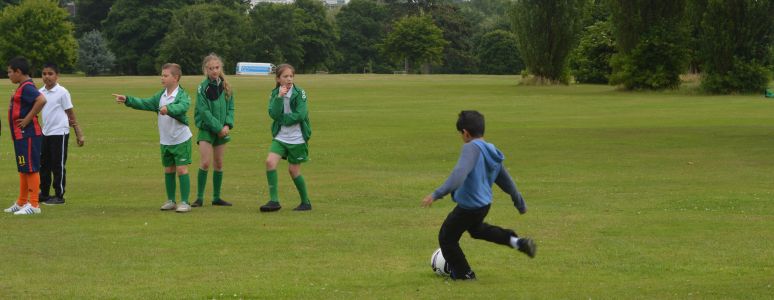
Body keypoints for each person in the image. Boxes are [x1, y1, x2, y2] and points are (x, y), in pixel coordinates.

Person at [421, 110, 536, 280]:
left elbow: (459, 173)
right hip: (483, 206)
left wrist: (437, 193)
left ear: (466, 133)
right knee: (477, 230)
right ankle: (517, 242)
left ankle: (464, 274)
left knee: (446, 237)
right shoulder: (492, 151)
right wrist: (519, 202)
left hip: (469, 207)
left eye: (461, 134)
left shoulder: (471, 148)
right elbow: (506, 181)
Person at [112, 63, 193, 213]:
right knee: (169, 169)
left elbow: (182, 107)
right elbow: (145, 103)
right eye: (161, 75)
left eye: (165, 75)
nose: (162, 78)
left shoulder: (183, 95)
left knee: (181, 169)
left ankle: (185, 202)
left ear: (176, 78)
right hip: (166, 140)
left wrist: (168, 109)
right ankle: (170, 200)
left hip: (181, 139)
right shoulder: (160, 96)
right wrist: (128, 99)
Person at [260, 64, 312, 212]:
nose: (289, 79)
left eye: (291, 76)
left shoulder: (300, 93)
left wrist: (283, 120)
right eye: (285, 76)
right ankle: (274, 201)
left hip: (297, 138)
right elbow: (273, 114)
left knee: (293, 170)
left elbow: (301, 115)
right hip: (281, 137)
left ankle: (306, 202)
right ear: (278, 79)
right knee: (270, 162)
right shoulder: (275, 93)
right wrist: (279, 97)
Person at [3, 56, 47, 215]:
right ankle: (22, 202)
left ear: (18, 72)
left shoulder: (27, 87)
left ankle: (34, 205)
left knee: (31, 168)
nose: (8, 75)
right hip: (20, 135)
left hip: (28, 134)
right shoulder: (22, 86)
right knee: (23, 168)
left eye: (9, 72)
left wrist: (28, 118)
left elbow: (41, 100)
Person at [38, 62, 84, 205]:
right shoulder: (40, 92)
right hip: (45, 133)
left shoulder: (62, 92)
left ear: (57, 76)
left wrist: (79, 133)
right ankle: (44, 193)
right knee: (43, 165)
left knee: (57, 165)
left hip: (60, 133)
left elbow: (70, 113)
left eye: (50, 74)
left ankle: (59, 195)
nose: (47, 77)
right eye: (44, 74)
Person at [192, 53, 234, 207]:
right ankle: (199, 198)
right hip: (206, 130)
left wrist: (227, 125)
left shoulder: (226, 86)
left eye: (217, 67)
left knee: (219, 163)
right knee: (205, 163)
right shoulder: (202, 88)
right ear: (206, 70)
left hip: (222, 130)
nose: (214, 71)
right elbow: (204, 112)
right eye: (211, 68)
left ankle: (216, 197)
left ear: (220, 68)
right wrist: (218, 127)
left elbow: (231, 108)